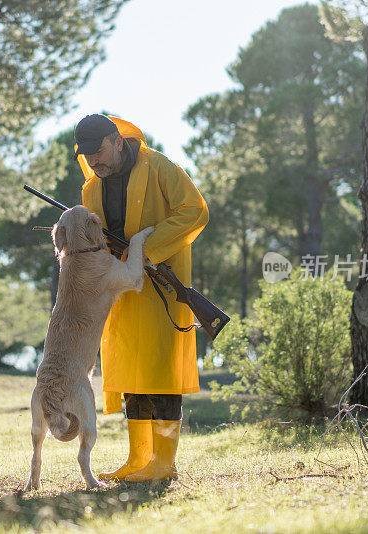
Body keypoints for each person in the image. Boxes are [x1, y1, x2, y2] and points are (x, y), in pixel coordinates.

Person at [73, 114, 209, 482]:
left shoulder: (161, 167)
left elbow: (195, 210)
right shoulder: (91, 188)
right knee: (131, 372)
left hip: (162, 289)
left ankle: (164, 463)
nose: (94, 162)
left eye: (98, 152)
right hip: (120, 294)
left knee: (162, 375)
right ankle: (138, 460)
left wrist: (145, 249)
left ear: (117, 141)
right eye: (87, 156)